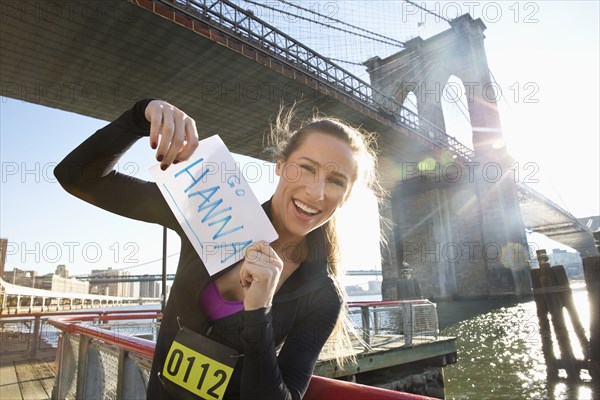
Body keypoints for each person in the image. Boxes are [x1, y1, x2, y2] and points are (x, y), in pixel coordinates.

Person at [54, 98, 382, 399]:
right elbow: (77, 177)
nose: (316, 191)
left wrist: (259, 313)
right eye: (307, 168)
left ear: (347, 197)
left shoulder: (322, 294)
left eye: (336, 181)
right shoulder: (213, 212)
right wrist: (142, 116)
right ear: (280, 165)